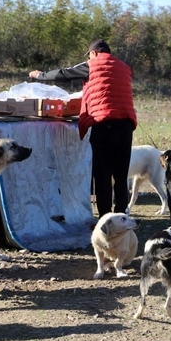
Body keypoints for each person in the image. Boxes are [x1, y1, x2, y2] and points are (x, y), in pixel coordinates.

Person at [29, 39, 137, 217]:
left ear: (93, 53)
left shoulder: (93, 63)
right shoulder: (124, 67)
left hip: (104, 123)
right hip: (126, 125)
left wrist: (39, 75)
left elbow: (64, 73)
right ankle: (122, 215)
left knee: (102, 174)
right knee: (120, 173)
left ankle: (105, 216)